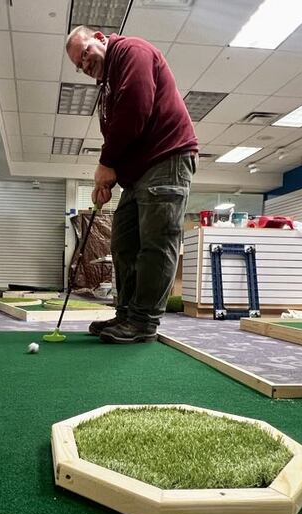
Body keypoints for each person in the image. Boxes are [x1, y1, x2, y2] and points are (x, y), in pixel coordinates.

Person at [65, 26, 198, 344]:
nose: (84, 66)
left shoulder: (131, 51)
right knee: (122, 243)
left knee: (155, 243)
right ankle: (126, 313)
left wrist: (107, 163)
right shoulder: (108, 82)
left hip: (167, 158)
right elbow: (120, 131)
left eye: (84, 54)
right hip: (138, 173)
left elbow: (136, 107)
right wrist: (111, 177)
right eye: (79, 66)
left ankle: (143, 321)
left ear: (99, 37)